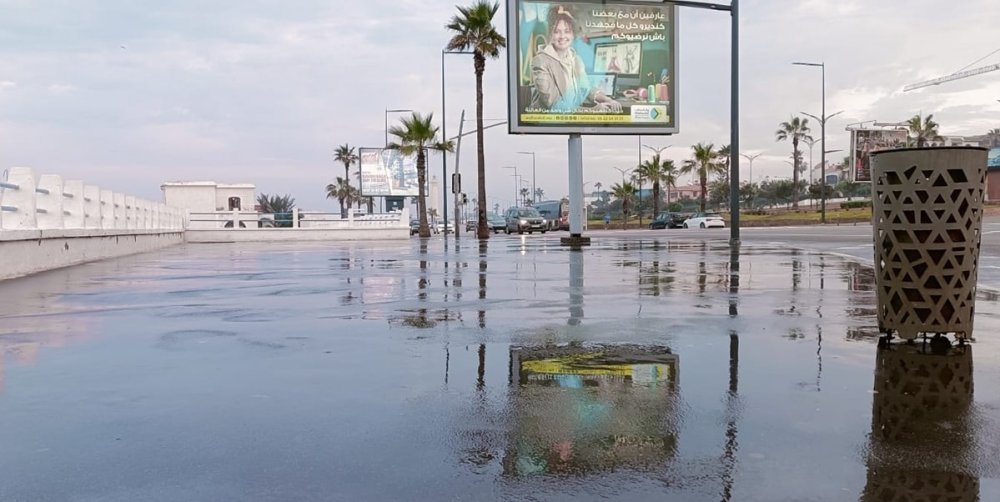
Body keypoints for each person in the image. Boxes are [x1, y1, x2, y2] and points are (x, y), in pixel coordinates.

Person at [529, 6, 622, 113]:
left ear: (573, 34)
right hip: (547, 124)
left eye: (567, 31)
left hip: (570, 120)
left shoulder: (575, 59)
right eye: (557, 31)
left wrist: (608, 99)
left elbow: (586, 89)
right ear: (551, 34)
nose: (562, 36)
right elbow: (554, 104)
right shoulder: (540, 61)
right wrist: (591, 111)